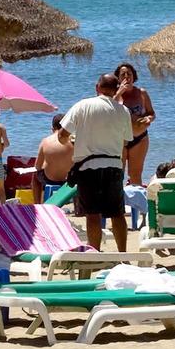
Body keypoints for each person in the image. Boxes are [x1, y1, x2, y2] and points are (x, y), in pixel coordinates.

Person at [62, 74, 132, 250]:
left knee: (92, 214)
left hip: (88, 167)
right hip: (114, 166)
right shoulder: (123, 111)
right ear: (116, 90)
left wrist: (73, 141)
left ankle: (95, 252)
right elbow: (125, 142)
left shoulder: (82, 105)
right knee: (117, 214)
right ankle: (122, 254)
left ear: (97, 87)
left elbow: (62, 135)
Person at [114, 63, 155, 185]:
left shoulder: (141, 93)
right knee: (117, 174)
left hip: (139, 138)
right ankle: (117, 202)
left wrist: (149, 119)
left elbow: (152, 113)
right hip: (119, 140)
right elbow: (107, 109)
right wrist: (119, 92)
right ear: (118, 78)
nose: (126, 76)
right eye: (123, 74)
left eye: (129, 74)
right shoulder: (114, 94)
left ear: (134, 76)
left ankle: (136, 201)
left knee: (135, 174)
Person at [34, 115, 74, 196]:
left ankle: (38, 202)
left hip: (50, 180)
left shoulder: (45, 141)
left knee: (35, 176)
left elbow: (37, 166)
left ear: (53, 127)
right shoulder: (73, 140)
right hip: (69, 180)